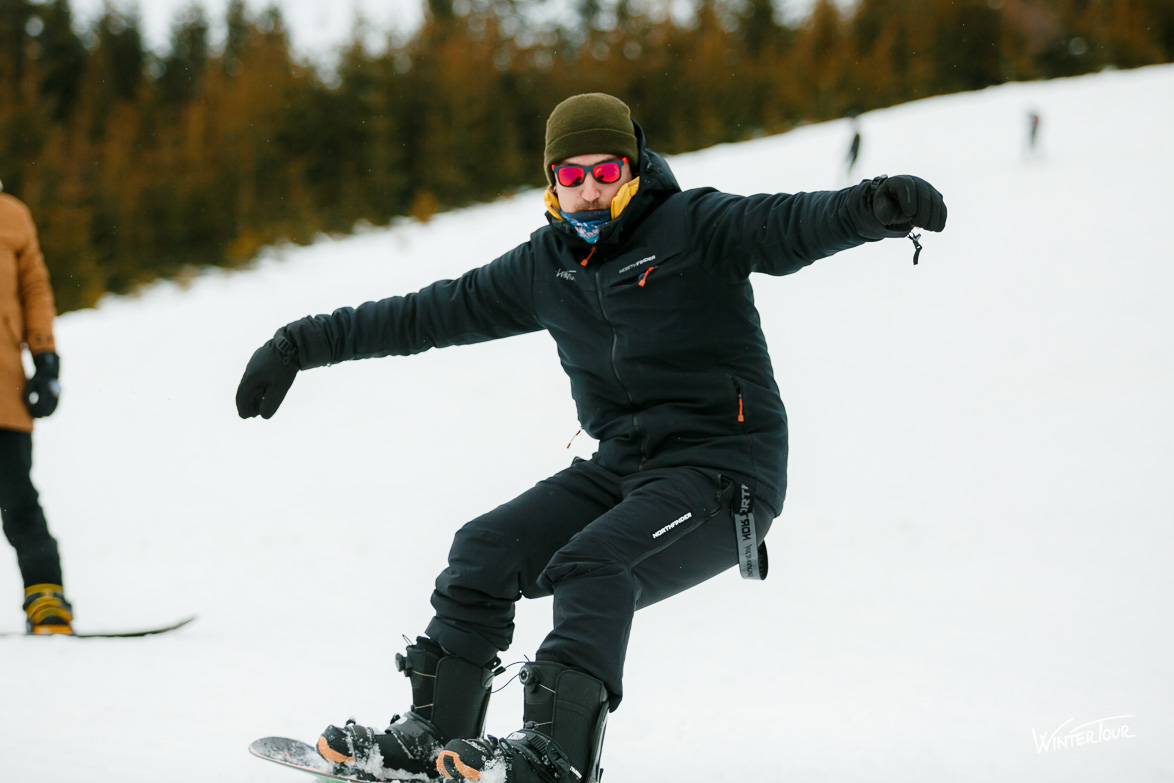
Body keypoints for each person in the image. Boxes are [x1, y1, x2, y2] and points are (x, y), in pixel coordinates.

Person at [236, 93, 947, 783]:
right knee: (484, 547)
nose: (588, 191)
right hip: (625, 468)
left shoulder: (695, 226)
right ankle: (433, 737)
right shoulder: (544, 267)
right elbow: (426, 315)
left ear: (634, 169)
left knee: (592, 562)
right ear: (552, 181)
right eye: (571, 176)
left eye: (605, 173)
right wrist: (302, 343)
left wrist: (871, 205)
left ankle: (555, 757)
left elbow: (791, 224)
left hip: (725, 473)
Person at [0, 182, 70, 635]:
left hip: (4, 384)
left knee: (19, 498)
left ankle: (46, 599)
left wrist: (45, 359)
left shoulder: (13, 216)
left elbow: (35, 289)